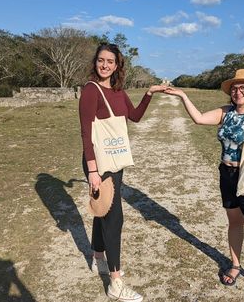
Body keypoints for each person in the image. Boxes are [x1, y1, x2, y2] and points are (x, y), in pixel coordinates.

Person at [164, 69, 244, 302]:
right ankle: (236, 265)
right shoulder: (225, 112)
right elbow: (198, 119)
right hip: (227, 174)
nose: (238, 92)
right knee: (234, 224)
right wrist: (182, 96)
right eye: (234, 88)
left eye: (243, 88)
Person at [79, 43, 166, 302]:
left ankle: (97, 257)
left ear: (117, 66)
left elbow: (135, 116)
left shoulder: (118, 91)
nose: (104, 65)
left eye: (110, 61)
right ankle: (116, 283)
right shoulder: (90, 91)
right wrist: (93, 171)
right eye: (101, 60)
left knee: (103, 209)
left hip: (115, 161)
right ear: (95, 62)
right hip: (99, 162)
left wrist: (150, 93)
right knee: (115, 218)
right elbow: (85, 133)